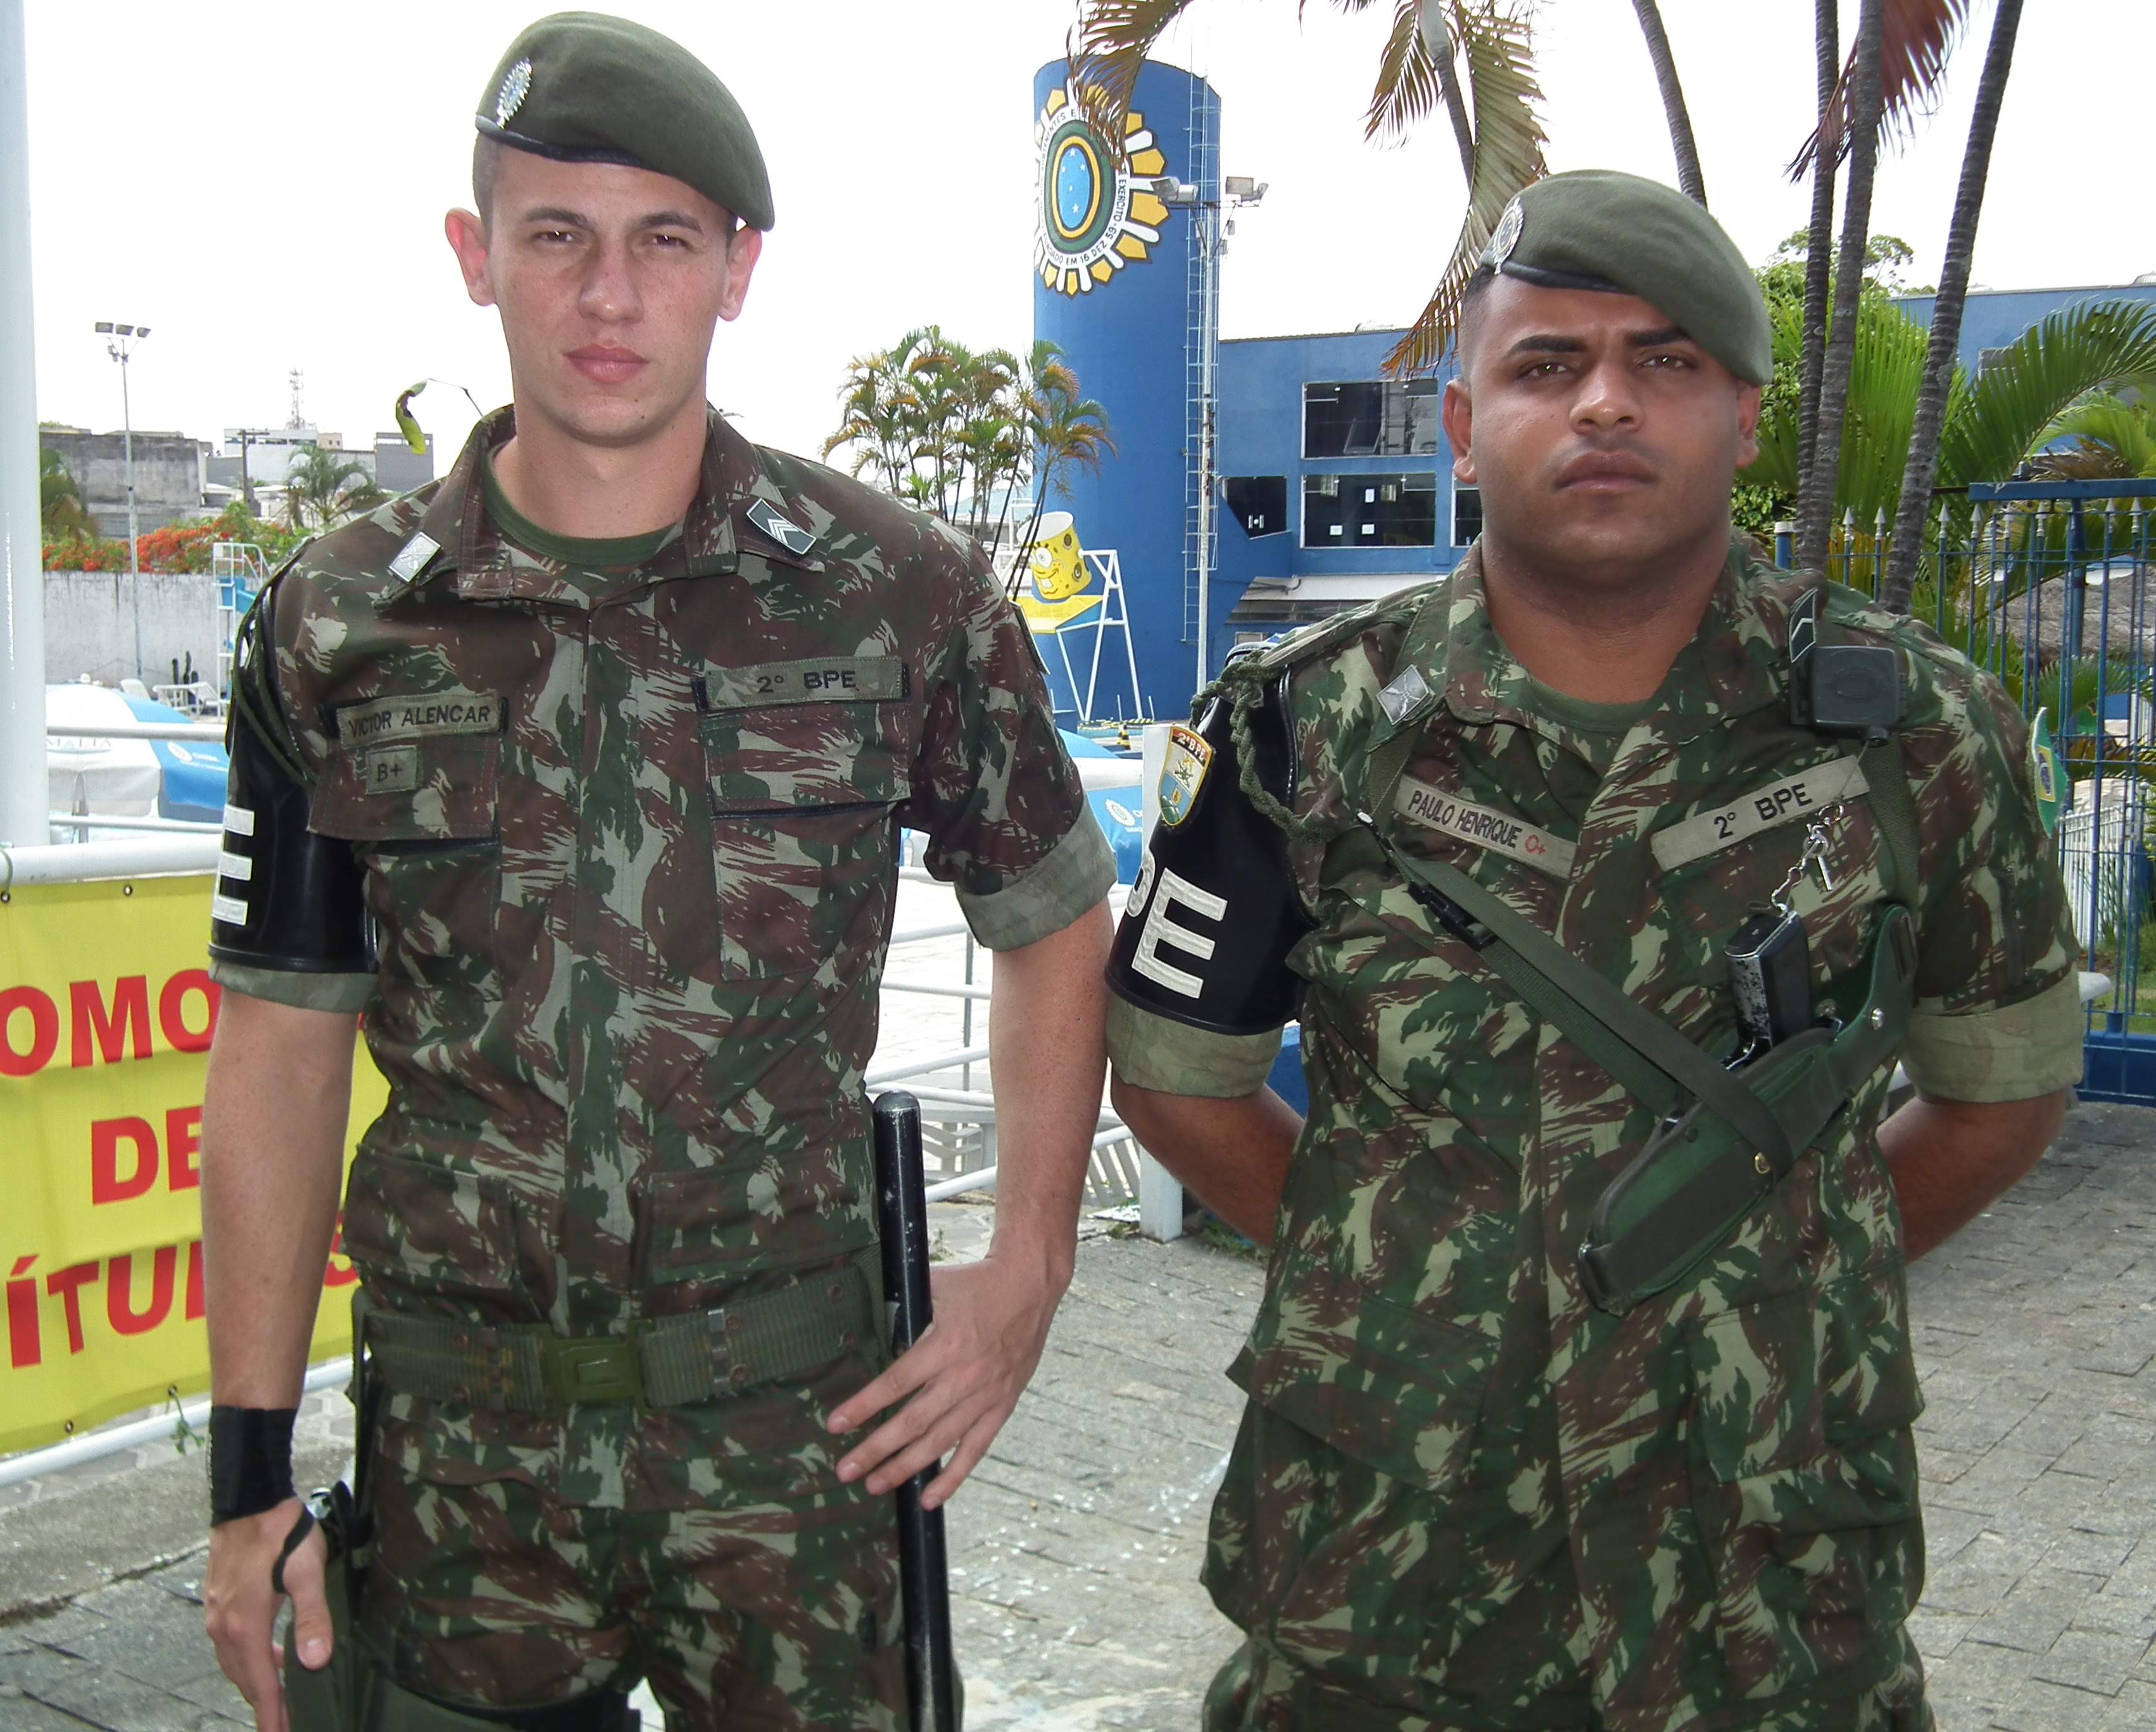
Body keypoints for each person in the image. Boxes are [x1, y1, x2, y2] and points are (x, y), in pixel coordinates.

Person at [196, 15, 1116, 1731]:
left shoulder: (897, 597)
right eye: (557, 235)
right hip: (460, 1465)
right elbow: (277, 1041)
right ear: (477, 258)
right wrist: (250, 1482)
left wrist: (1029, 1269)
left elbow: (1054, 916)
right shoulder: (336, 623)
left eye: (663, 240)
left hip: (796, 1448)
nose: (608, 296)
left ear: (738, 269)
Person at [1107, 169, 2080, 1731]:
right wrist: (1398, 1285)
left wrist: (1783, 1273)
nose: (1607, 404)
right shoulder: (1303, 726)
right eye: (1547, 364)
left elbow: (2002, 1099)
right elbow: (1176, 1085)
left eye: (1667, 361)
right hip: (1389, 1566)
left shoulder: (1920, 729)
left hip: (1768, 1584)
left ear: (1747, 417)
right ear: (1459, 421)